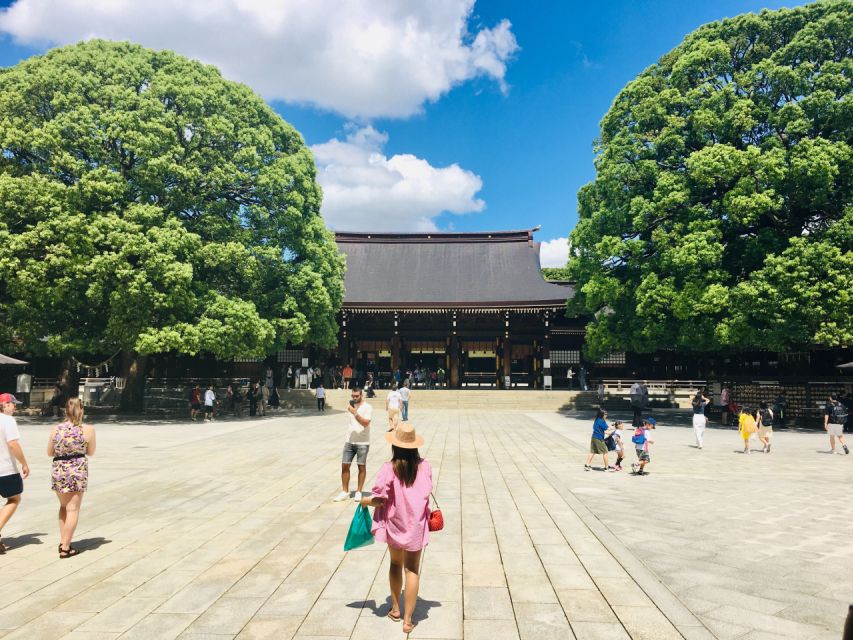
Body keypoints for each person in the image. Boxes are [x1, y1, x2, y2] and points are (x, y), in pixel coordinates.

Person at [361, 422, 432, 635]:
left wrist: (364, 501)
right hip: (417, 525)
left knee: (395, 563)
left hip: (395, 523)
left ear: (395, 446)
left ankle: (395, 608)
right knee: (412, 568)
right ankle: (408, 620)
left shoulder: (388, 468)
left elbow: (379, 500)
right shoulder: (425, 466)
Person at [47, 398, 95, 558]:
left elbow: (49, 452)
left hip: (59, 468)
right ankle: (66, 547)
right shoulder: (88, 429)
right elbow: (91, 451)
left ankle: (63, 540)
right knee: (73, 509)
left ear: (65, 411)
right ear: (82, 410)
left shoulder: (56, 429)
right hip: (77, 469)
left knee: (63, 507)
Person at [0, 393, 29, 554]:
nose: (15, 406)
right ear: (4, 404)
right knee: (14, 498)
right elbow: (13, 444)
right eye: (12, 404)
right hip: (5, 470)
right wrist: (24, 463)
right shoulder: (7, 420)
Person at [334, 386, 372, 502]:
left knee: (361, 466)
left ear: (361, 395)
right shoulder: (351, 406)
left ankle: (359, 491)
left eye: (357, 396)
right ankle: (345, 491)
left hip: (363, 442)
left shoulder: (367, 407)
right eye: (353, 396)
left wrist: (355, 413)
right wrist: (353, 411)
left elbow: (366, 423)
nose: (355, 398)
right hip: (349, 441)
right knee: (345, 466)